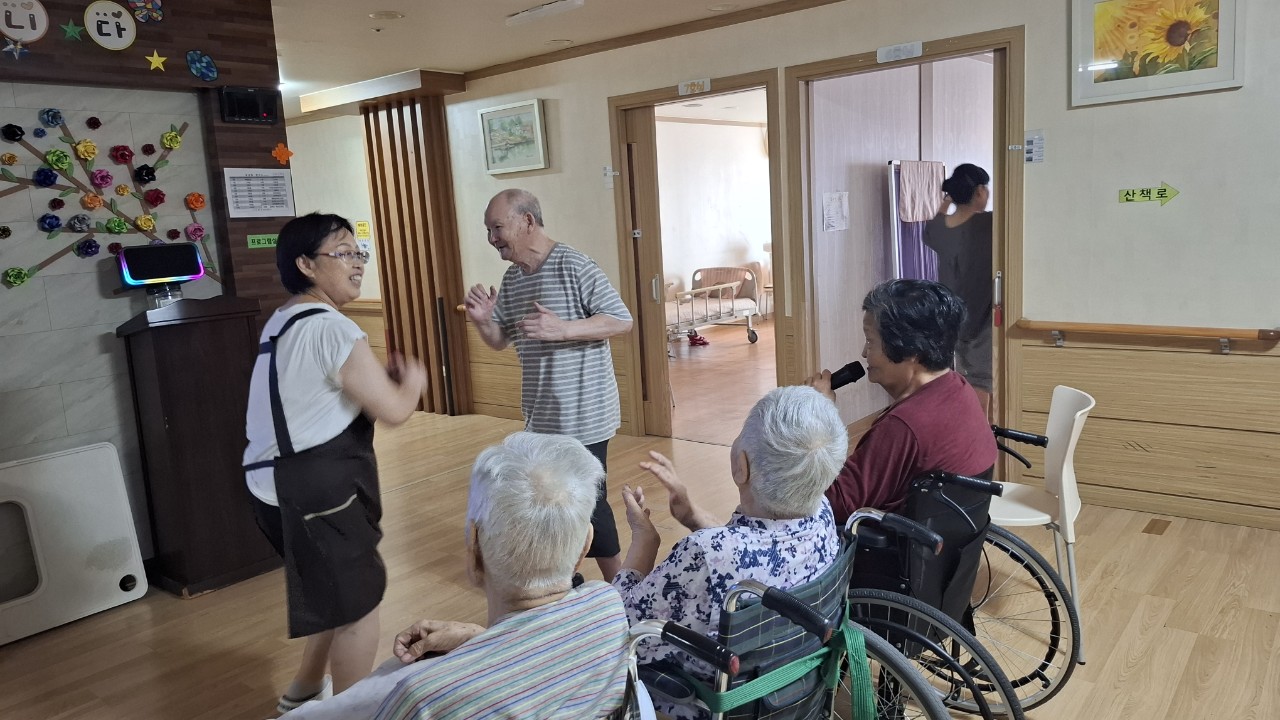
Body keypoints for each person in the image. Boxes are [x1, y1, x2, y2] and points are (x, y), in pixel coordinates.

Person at [279, 432, 631, 719]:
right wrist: (480, 640)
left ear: (474, 548)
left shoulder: (427, 700)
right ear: (585, 545)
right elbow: (543, 660)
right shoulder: (609, 610)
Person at [243, 212, 428, 712]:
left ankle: (303, 694)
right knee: (358, 609)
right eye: (343, 253)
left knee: (332, 594)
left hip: (272, 489)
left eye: (358, 252)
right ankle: (351, 710)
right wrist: (413, 379)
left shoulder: (282, 321)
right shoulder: (332, 328)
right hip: (317, 491)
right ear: (305, 264)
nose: (357, 263)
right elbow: (394, 410)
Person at [614, 385, 848, 720]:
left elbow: (618, 631)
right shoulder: (822, 514)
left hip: (710, 703)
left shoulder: (706, 555)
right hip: (792, 696)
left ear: (742, 467)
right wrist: (692, 516)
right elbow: (748, 550)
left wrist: (643, 541)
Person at [464, 189, 634, 580]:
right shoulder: (513, 278)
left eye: (497, 227)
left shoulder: (573, 265)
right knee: (550, 501)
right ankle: (563, 577)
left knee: (589, 500)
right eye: (488, 230)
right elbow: (500, 340)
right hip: (542, 416)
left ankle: (621, 584)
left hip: (585, 412)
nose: (492, 238)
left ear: (527, 220)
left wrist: (564, 328)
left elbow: (621, 319)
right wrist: (483, 320)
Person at [806, 279, 996, 525]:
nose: (864, 353)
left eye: (870, 341)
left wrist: (820, 415)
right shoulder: (958, 387)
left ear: (911, 349)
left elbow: (835, 504)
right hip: (949, 539)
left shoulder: (904, 426)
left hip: (888, 543)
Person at [924, 163, 994, 413]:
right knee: (980, 380)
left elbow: (934, 223)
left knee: (959, 376)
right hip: (981, 315)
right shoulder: (988, 223)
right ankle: (977, 430)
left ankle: (963, 425)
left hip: (950, 316)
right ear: (979, 191)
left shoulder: (938, 228)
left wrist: (948, 200)